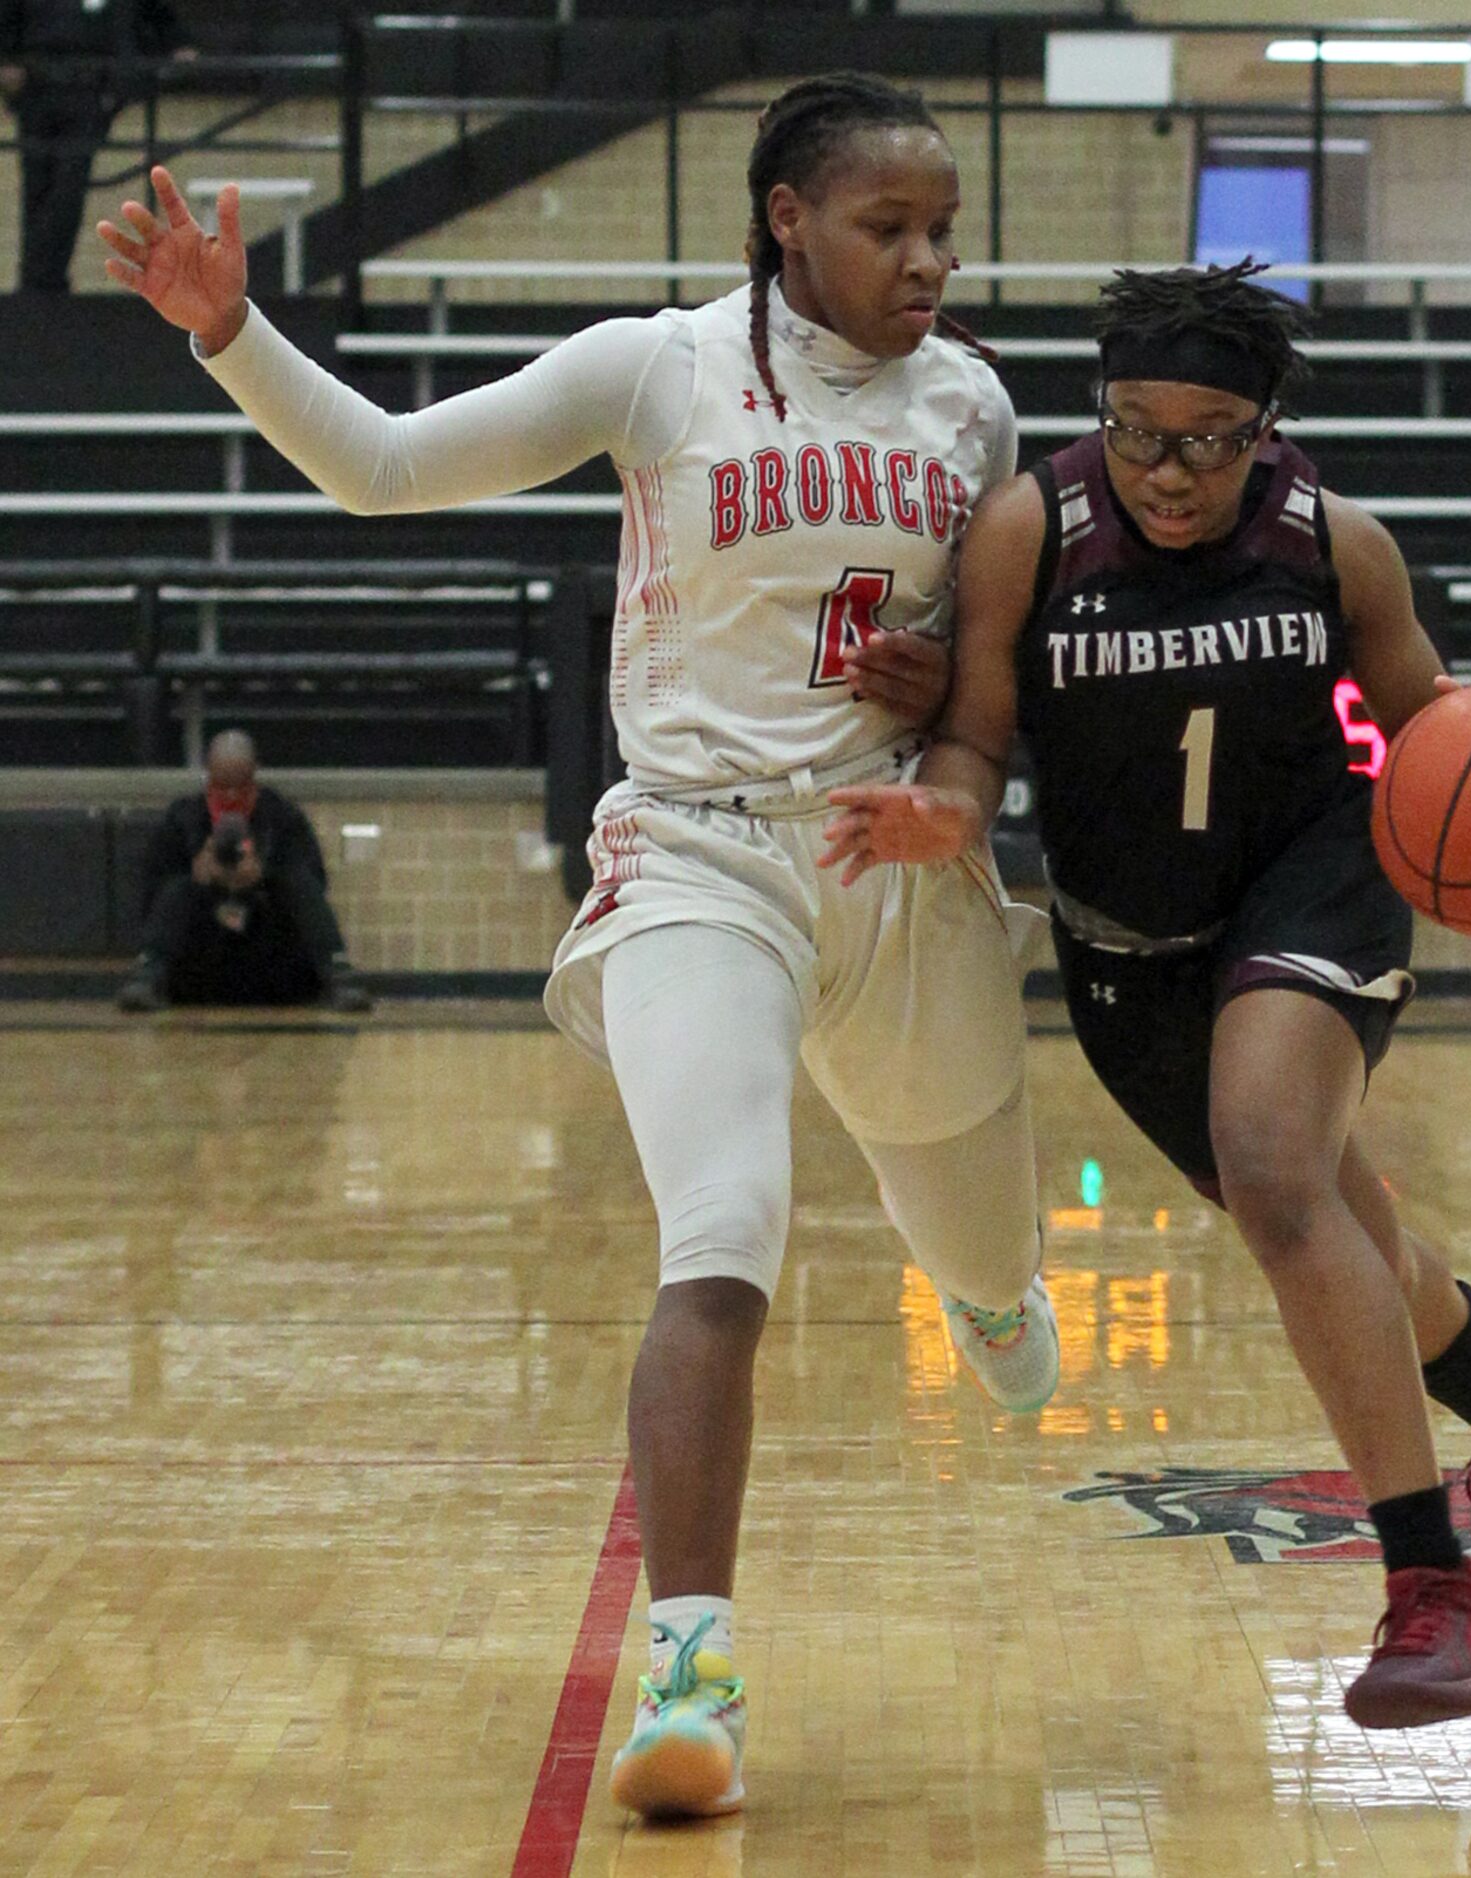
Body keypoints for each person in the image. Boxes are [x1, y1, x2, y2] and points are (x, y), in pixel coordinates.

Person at [98, 73, 1060, 1817]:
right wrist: (230, 330)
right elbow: (388, 468)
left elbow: (986, 651)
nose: (924, 260)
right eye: (886, 226)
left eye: (941, 232)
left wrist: (943, 692)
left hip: (894, 868)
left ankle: (987, 1284)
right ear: (788, 218)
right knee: (721, 1235)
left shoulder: (974, 408)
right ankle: (686, 1667)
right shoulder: (658, 367)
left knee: (985, 1258)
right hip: (703, 854)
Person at [821, 261, 1471, 1731]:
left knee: (1271, 1168)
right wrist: (947, 807)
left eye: (1204, 436)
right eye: (1135, 429)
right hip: (1127, 949)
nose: (1165, 469)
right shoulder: (1031, 529)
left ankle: (1425, 1590)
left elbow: (1429, 729)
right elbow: (976, 739)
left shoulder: (1337, 548)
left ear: (1264, 429)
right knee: (1332, 1224)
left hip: (1311, 882)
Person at [118, 729, 373, 1013]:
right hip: (202, 958)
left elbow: (315, 885)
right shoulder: (181, 817)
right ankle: (147, 974)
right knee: (177, 888)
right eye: (221, 786)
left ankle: (339, 975)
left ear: (255, 774)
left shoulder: (282, 815)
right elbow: (151, 891)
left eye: (239, 786)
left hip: (269, 955)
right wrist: (198, 877)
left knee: (296, 882)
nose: (230, 795)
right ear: (207, 775)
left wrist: (263, 877)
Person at [0, 0, 191, 291]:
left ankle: (39, 282)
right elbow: (10, 16)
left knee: (67, 186)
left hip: (90, 89)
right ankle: (40, 281)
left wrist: (178, 43)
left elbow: (152, 13)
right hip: (37, 89)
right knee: (37, 186)